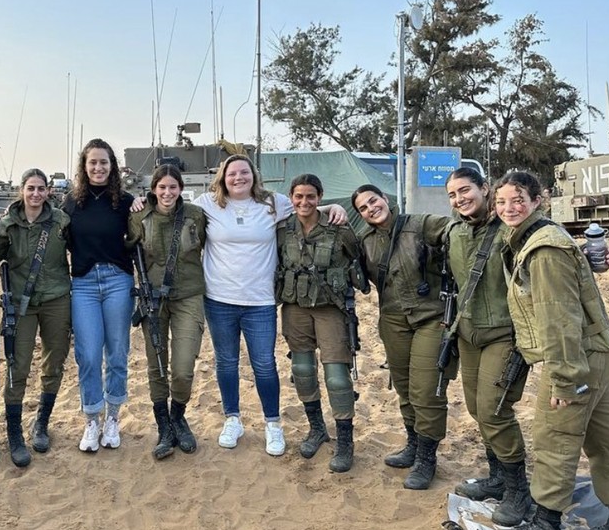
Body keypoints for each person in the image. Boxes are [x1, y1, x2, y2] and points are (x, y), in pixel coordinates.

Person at [493, 171, 609, 530]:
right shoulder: (541, 236)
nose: (509, 207)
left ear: (538, 200)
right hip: (599, 351)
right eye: (502, 201)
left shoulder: (544, 248)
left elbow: (559, 318)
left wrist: (565, 379)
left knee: (555, 437)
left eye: (518, 199)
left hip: (576, 357)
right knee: (607, 440)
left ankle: (544, 525)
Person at [193, 154, 346, 456]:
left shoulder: (272, 203)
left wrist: (335, 207)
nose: (239, 178)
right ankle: (232, 418)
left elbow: (307, 208)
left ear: (254, 176)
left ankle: (272, 423)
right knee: (226, 362)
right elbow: (172, 212)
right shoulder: (207, 203)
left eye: (244, 172)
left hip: (259, 301)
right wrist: (138, 203)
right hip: (219, 298)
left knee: (264, 364)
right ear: (223, 177)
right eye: (232, 173)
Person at [445, 167, 531, 526]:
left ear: (484, 188)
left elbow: (549, 251)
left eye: (465, 190)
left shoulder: (512, 229)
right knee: (477, 409)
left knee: (495, 411)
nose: (459, 199)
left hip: (504, 334)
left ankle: (518, 491)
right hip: (468, 335)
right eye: (452, 195)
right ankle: (496, 476)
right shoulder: (453, 231)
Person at [352, 184, 451, 489]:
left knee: (426, 390)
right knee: (405, 387)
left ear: (386, 199)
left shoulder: (419, 225)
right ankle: (412, 443)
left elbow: (456, 231)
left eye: (374, 200)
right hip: (393, 320)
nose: (371, 209)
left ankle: (427, 457)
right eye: (363, 208)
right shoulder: (365, 241)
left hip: (430, 318)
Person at [277, 175, 367, 473]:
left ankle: (345, 440)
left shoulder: (339, 228)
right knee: (302, 370)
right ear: (291, 197)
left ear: (320, 197)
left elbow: (360, 261)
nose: (304, 202)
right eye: (299, 196)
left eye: (311, 197)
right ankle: (316, 428)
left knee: (337, 376)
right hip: (295, 307)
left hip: (331, 308)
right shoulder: (282, 229)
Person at [127, 164, 207, 460]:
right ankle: (164, 425)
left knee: (184, 366)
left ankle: (178, 416)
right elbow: (126, 246)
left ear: (181, 189)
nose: (167, 192)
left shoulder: (195, 216)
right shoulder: (140, 217)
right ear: (153, 189)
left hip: (188, 295)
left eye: (173, 187)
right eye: (162, 187)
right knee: (156, 363)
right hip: (153, 299)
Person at [0, 168, 72, 467]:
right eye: (31, 188)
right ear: (21, 190)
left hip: (56, 299)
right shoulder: (6, 226)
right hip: (20, 304)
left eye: (41, 188)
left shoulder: (61, 222)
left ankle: (41, 423)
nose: (36, 194)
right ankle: (14, 431)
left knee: (54, 362)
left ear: (48, 191)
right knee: (18, 364)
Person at [62, 139, 135, 452]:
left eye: (104, 162)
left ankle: (113, 417)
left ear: (112, 165)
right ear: (84, 166)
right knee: (88, 355)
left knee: (117, 352)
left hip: (118, 280)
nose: (98, 168)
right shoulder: (69, 203)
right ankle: (92, 418)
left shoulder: (126, 201)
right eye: (92, 162)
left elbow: (139, 234)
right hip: (84, 284)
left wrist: (140, 205)